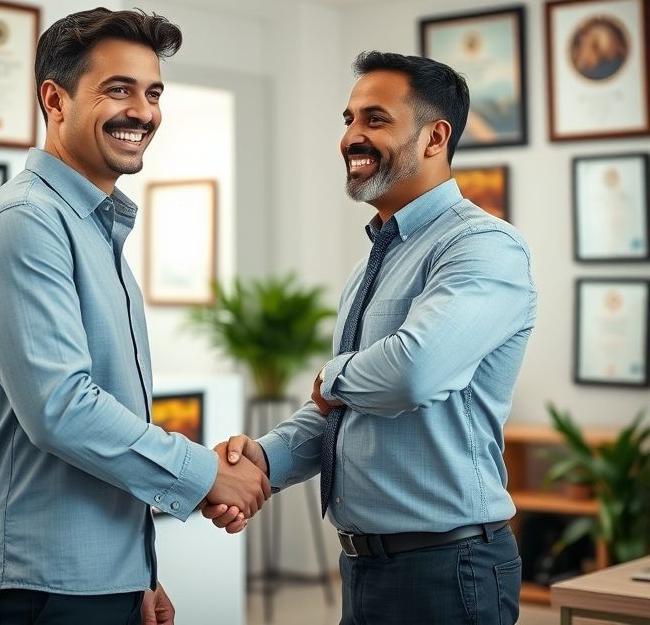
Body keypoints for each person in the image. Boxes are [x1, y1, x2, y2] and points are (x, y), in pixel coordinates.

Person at [0, 7, 269, 625]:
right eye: (118, 89)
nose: (143, 112)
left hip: (98, 579)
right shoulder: (24, 224)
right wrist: (206, 477)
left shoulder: (97, 229)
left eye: (152, 93)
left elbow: (107, 417)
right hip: (38, 586)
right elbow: (61, 408)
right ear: (55, 100)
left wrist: (137, 573)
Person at [206, 52, 537, 625]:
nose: (351, 137)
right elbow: (342, 411)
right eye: (348, 119)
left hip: (447, 568)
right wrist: (261, 460)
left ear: (436, 137)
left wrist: (330, 378)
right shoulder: (374, 263)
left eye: (375, 120)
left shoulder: (482, 247)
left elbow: (412, 372)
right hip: (364, 569)